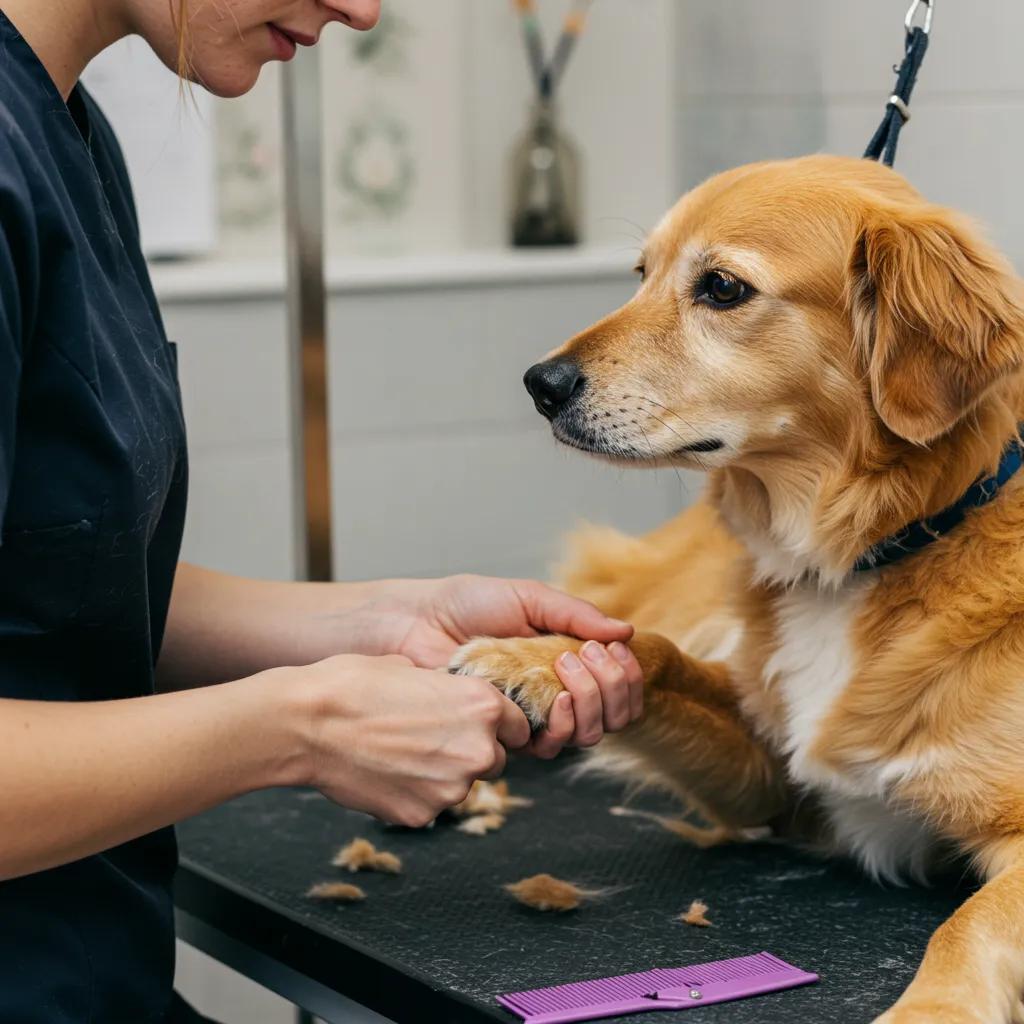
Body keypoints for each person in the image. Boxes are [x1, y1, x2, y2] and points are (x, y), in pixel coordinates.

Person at [0, 1, 645, 1022]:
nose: (361, 6)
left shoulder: (72, 135)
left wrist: (388, 622)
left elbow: (52, 582)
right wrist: (297, 729)